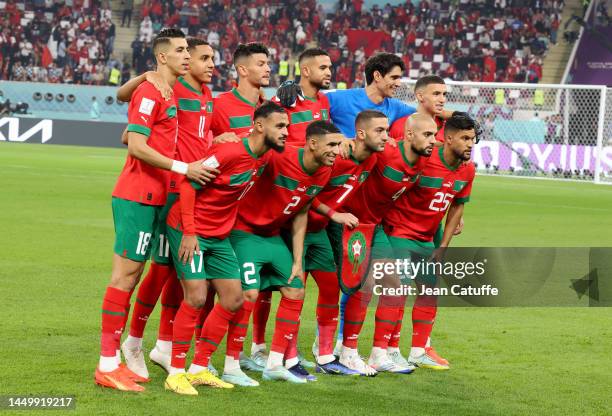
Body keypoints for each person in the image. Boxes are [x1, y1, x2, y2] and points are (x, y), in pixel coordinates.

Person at [93, 28, 210, 392]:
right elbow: (135, 145)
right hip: (137, 194)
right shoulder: (151, 91)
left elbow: (124, 105)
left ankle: (115, 359)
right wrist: (181, 168)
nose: (186, 56)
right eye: (180, 50)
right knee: (124, 277)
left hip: (156, 197)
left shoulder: (168, 89)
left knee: (135, 275)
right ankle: (107, 364)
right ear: (162, 56)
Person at [114, 37, 236, 380]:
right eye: (204, 58)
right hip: (167, 189)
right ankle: (134, 342)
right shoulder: (171, 87)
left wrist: (217, 139)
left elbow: (199, 136)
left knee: (173, 271)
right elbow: (129, 123)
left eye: (213, 57)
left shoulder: (206, 94)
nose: (212, 64)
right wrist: (144, 77)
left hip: (190, 191)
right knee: (156, 270)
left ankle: (164, 345)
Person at [164, 102, 290, 395]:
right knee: (196, 297)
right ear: (260, 126)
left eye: (286, 126)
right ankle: (175, 372)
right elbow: (187, 184)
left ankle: (199, 368)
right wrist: (189, 232)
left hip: (219, 235)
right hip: (189, 230)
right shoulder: (229, 152)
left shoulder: (264, 155)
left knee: (234, 299)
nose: (286, 132)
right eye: (280, 126)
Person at [224, 120, 342, 385]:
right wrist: (227, 138)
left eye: (338, 144)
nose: (337, 150)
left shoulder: (323, 170)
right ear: (312, 143)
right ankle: (231, 364)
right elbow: (251, 149)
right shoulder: (280, 155)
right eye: (331, 144)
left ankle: (275, 364)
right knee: (250, 294)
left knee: (295, 288)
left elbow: (301, 211)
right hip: (244, 230)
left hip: (273, 236)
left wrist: (298, 260)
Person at [338, 113, 438, 375]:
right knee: (363, 284)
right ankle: (345, 351)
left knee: (394, 284)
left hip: (375, 225)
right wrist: (341, 139)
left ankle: (378, 354)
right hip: (349, 222)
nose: (433, 140)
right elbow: (358, 145)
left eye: (435, 135)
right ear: (408, 135)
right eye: (427, 134)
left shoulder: (424, 160)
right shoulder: (387, 151)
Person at [383, 113, 477, 370]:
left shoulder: (468, 170)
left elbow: (457, 207)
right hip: (400, 230)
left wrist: (442, 247)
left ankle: (418, 350)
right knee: (399, 289)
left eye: (473, 138)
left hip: (427, 238)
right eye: (465, 138)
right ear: (447, 139)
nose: (471, 143)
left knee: (429, 290)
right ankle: (389, 350)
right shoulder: (425, 159)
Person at [306, 110, 388, 375]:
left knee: (332, 289)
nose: (386, 136)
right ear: (361, 134)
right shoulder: (336, 158)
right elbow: (305, 191)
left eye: (387, 130)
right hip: (297, 226)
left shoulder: (372, 159)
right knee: (289, 290)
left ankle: (325, 353)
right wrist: (335, 214)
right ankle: (273, 354)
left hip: (321, 229)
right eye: (380, 131)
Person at [210, 43, 270, 137]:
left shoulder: (269, 108)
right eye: (261, 64)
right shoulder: (220, 105)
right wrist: (216, 142)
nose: (268, 69)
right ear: (243, 70)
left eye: (267, 64)